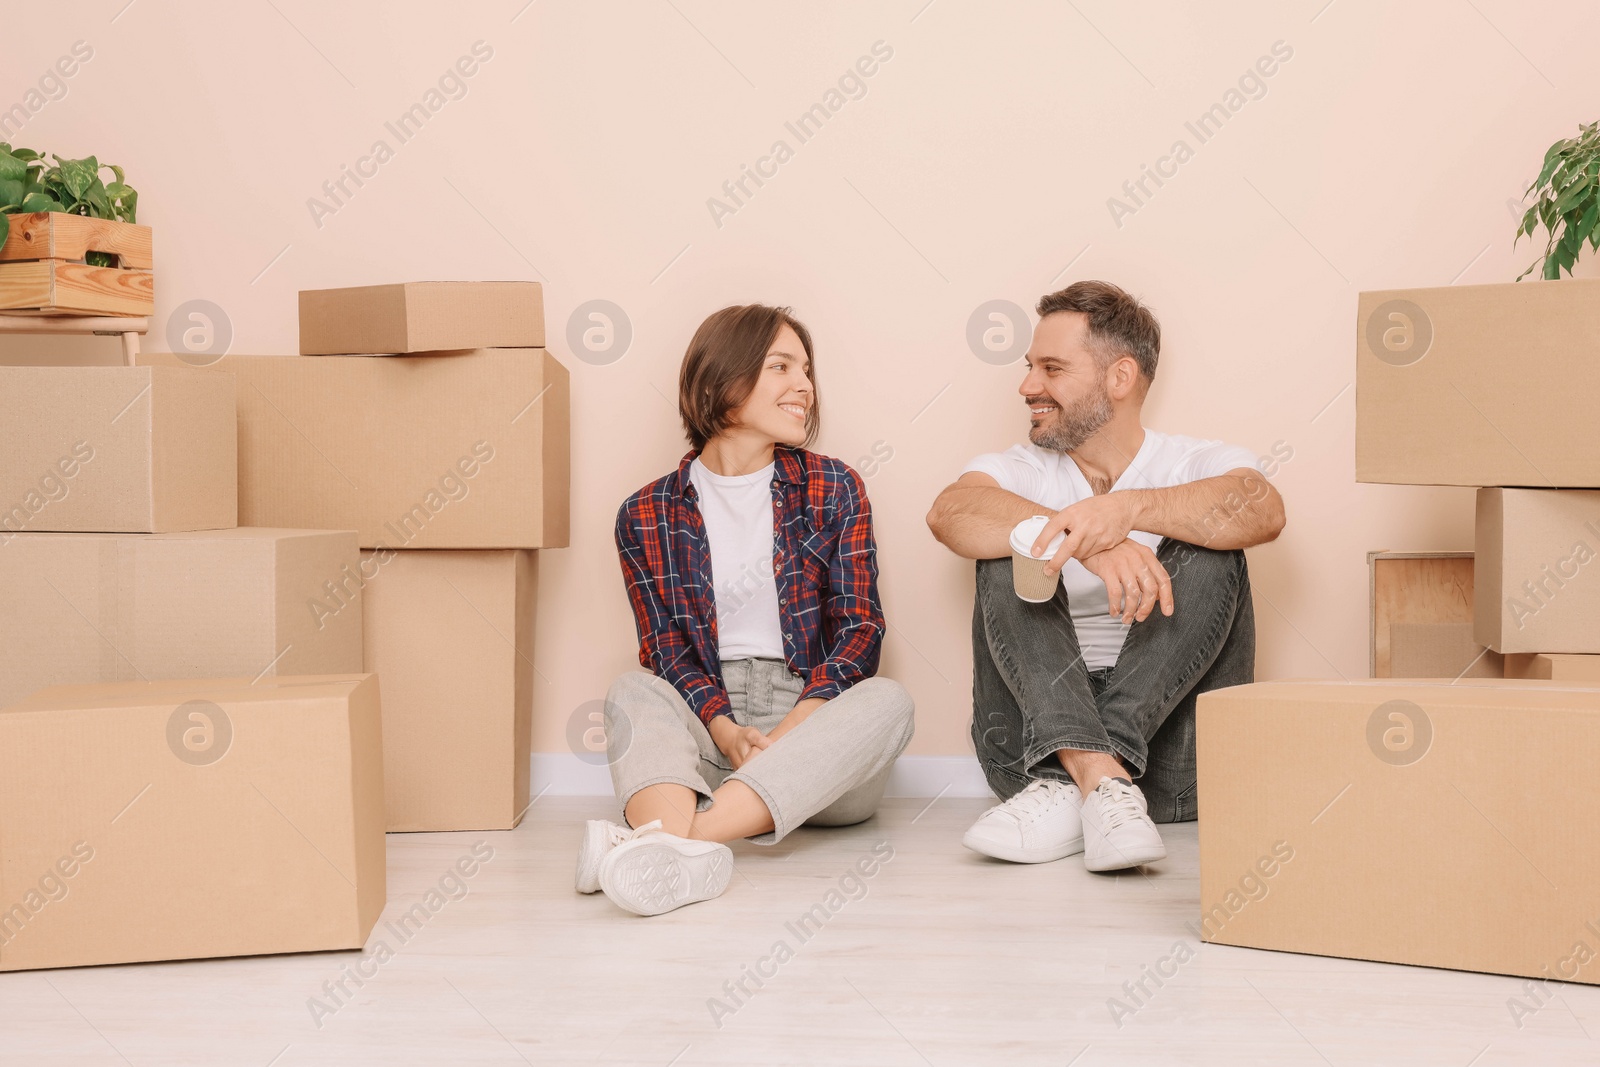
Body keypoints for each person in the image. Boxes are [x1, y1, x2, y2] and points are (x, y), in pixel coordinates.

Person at [926, 280, 1284, 873]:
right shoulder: (1019, 469)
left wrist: (1123, 511)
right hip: (1028, 750)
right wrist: (1085, 543)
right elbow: (950, 513)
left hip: (1175, 763)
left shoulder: (1193, 461)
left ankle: (1092, 774)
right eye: (1028, 367)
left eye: (1051, 368)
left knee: (1216, 544)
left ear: (1119, 378)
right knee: (1008, 542)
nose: (1027, 386)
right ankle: (1101, 777)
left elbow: (1263, 510)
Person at [580, 303, 915, 916]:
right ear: (721, 382)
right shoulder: (644, 513)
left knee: (889, 701)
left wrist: (788, 736)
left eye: (807, 371)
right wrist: (727, 732)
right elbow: (666, 651)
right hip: (713, 734)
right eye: (781, 366)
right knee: (633, 688)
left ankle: (668, 841)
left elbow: (861, 628)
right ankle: (681, 848)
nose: (805, 387)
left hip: (818, 744)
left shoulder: (834, 486)